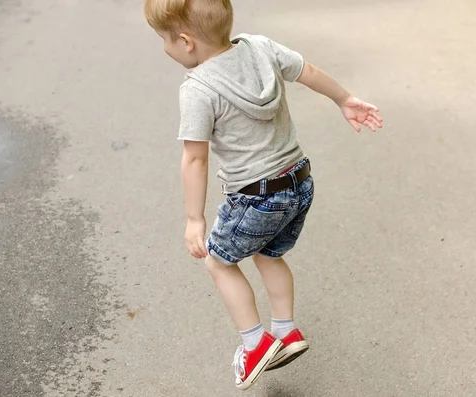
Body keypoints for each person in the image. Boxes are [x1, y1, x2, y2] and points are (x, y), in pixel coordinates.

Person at [143, 0, 383, 390]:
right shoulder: (259, 47)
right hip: (299, 182)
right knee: (268, 253)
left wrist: (194, 219)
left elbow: (194, 159)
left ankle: (255, 344)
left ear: (186, 42)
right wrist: (344, 99)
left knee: (219, 264)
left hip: (257, 196)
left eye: (163, 40)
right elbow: (309, 71)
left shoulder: (199, 90)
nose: (163, 47)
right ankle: (286, 332)